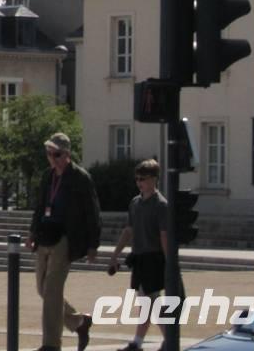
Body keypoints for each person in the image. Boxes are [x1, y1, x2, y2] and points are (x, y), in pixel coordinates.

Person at [27, 132, 101, 351]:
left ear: (67, 154)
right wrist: (32, 232)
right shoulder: (47, 176)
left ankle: (51, 344)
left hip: (65, 238)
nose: (52, 158)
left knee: (52, 290)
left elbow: (92, 212)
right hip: (44, 236)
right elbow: (40, 206)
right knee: (43, 289)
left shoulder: (80, 178)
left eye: (56, 154)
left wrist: (92, 245)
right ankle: (79, 322)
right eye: (49, 153)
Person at [106, 159, 169, 351]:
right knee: (148, 301)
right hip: (140, 257)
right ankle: (152, 341)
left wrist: (168, 263)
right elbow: (128, 230)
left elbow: (164, 235)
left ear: (154, 179)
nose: (139, 182)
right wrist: (115, 254)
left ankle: (150, 341)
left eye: (143, 178)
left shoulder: (161, 205)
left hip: (154, 257)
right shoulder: (135, 203)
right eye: (137, 179)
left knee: (149, 301)